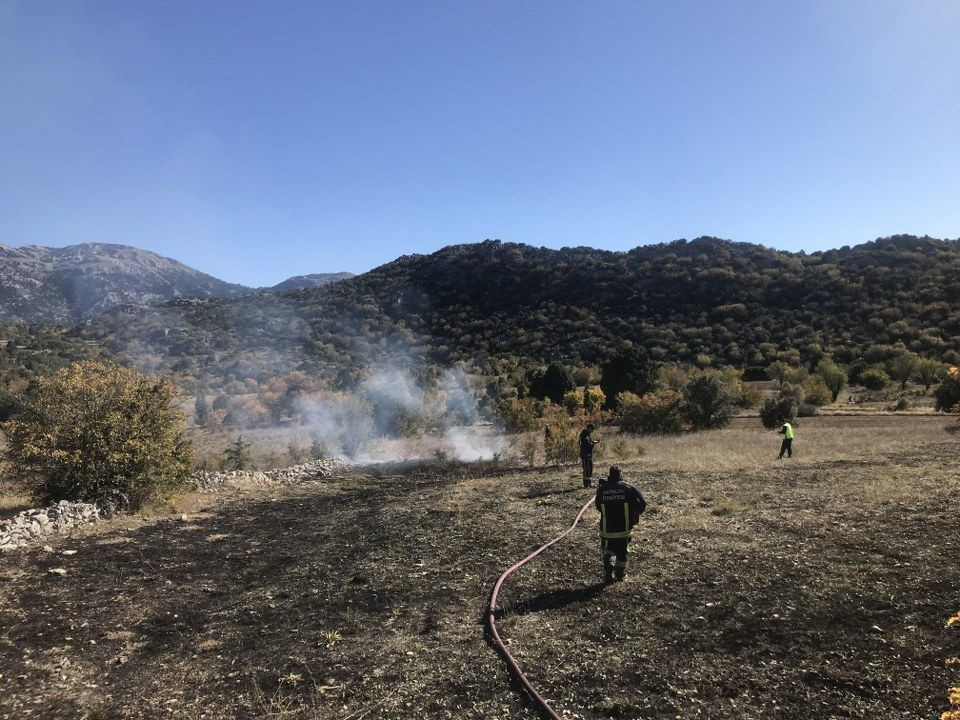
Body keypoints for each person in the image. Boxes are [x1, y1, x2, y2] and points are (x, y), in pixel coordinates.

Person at [594, 466, 646, 583]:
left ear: (609, 475)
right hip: (624, 530)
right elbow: (642, 502)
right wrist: (636, 513)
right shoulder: (629, 488)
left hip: (607, 530)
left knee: (608, 549)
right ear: (620, 475)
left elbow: (598, 506)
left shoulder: (602, 489)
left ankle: (610, 562)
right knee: (622, 552)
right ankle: (620, 574)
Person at [578, 423, 600, 488]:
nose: (592, 431)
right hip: (585, 455)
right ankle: (586, 484)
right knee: (586, 469)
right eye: (592, 430)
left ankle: (589, 483)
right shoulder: (583, 435)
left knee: (590, 469)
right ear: (588, 428)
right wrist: (593, 443)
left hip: (588, 454)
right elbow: (588, 444)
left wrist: (594, 442)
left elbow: (590, 442)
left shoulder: (587, 435)